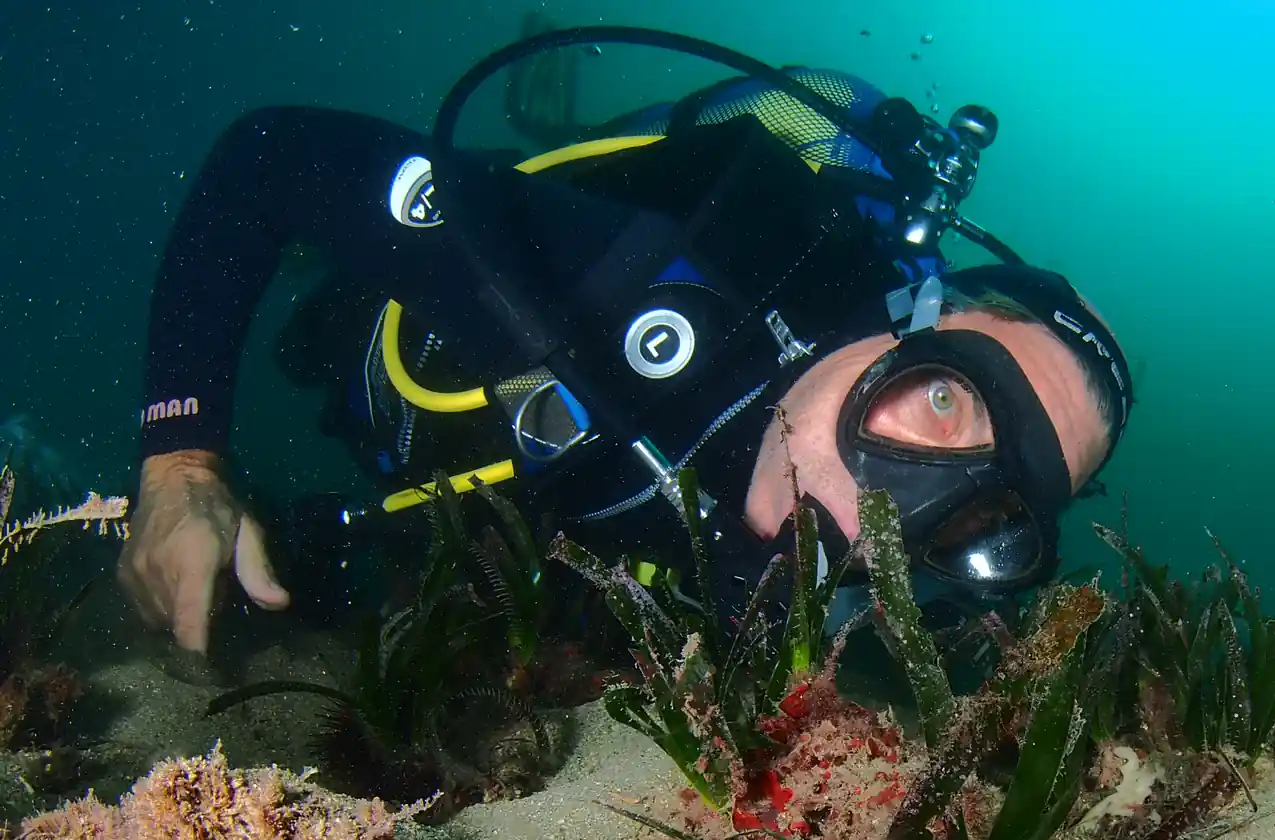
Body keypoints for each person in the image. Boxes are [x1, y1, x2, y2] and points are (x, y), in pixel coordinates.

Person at [118, 30, 1133, 655]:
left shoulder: (850, 582)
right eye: (949, 400)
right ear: (900, 320)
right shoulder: (643, 279)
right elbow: (266, 158)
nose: (892, 519)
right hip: (424, 348)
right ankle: (540, 124)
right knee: (319, 343)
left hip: (493, 534)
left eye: (988, 518)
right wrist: (182, 460)